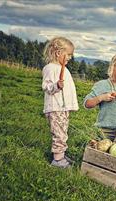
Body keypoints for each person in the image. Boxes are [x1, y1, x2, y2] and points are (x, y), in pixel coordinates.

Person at [42, 37, 79, 168]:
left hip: (62, 108)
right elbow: (46, 87)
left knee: (63, 132)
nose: (70, 57)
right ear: (58, 53)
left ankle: (61, 155)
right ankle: (57, 160)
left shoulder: (62, 68)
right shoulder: (50, 68)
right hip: (56, 107)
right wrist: (56, 86)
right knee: (59, 133)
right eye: (68, 54)